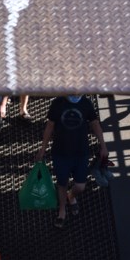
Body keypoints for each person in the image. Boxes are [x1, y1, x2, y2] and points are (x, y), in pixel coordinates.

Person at [36, 94, 107, 229]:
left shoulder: (86, 103)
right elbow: (50, 126)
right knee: (62, 184)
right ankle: (62, 210)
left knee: (80, 186)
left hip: (81, 154)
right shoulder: (58, 102)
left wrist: (103, 146)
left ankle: (71, 195)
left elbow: (95, 124)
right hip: (60, 153)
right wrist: (42, 149)